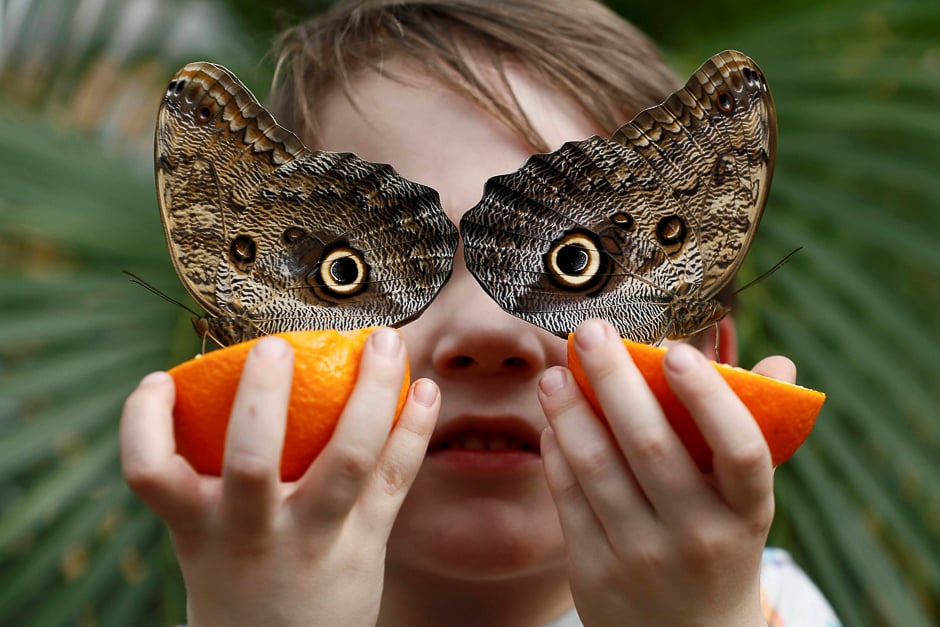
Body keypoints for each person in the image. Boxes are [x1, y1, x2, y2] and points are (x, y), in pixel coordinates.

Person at [120, 1, 842, 625]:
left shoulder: (771, 607)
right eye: (361, 273)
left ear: (704, 363)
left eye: (577, 263)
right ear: (253, 359)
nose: (490, 336)